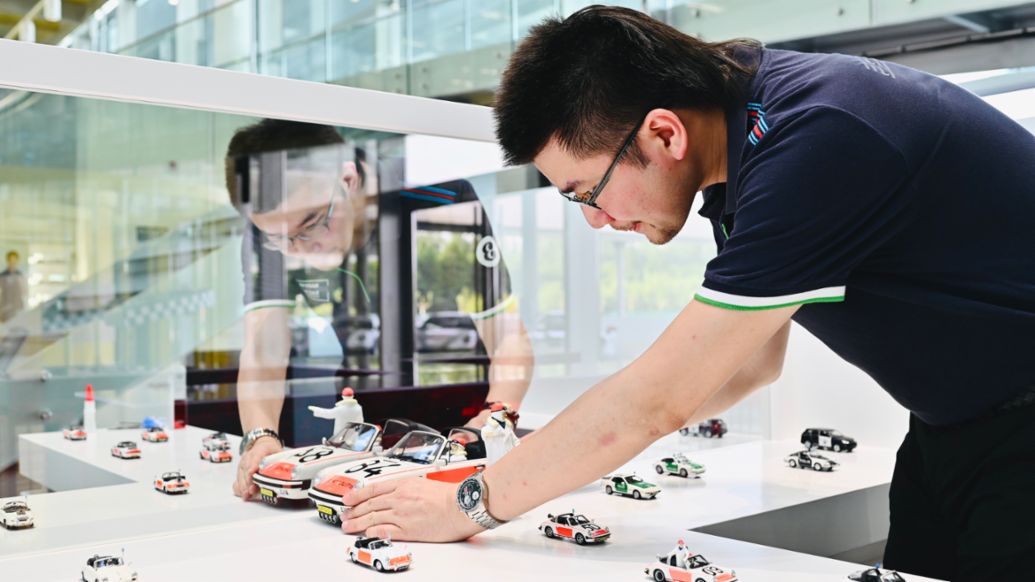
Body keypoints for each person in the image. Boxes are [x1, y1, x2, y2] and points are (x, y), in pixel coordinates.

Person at [340, 7, 1035, 581]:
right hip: (952, 429)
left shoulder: (820, 137)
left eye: (587, 192)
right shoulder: (742, 146)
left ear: (663, 132)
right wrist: (545, 467)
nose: (595, 219)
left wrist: (475, 502)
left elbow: (658, 398)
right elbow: (747, 365)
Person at [223, 119, 532, 501]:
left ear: (348, 179)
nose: (298, 248)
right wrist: (260, 437)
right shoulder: (269, 227)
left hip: (458, 427)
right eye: (279, 239)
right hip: (359, 435)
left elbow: (508, 338)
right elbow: (263, 348)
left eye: (311, 225)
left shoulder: (439, 195)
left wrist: (495, 418)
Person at [0, 250, 28, 323]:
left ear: (17, 261)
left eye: (14, 260)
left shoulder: (21, 276)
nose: (12, 263)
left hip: (18, 307)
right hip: (5, 308)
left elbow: (24, 292)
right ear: (7, 261)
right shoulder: (2, 276)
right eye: (10, 260)